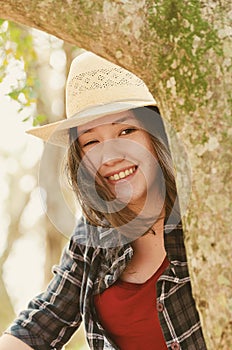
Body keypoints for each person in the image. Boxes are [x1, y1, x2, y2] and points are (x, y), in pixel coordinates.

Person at [0, 52, 206, 350]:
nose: (110, 156)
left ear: (156, 134)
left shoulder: (209, 215)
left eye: (126, 130)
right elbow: (41, 325)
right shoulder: (93, 235)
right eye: (91, 141)